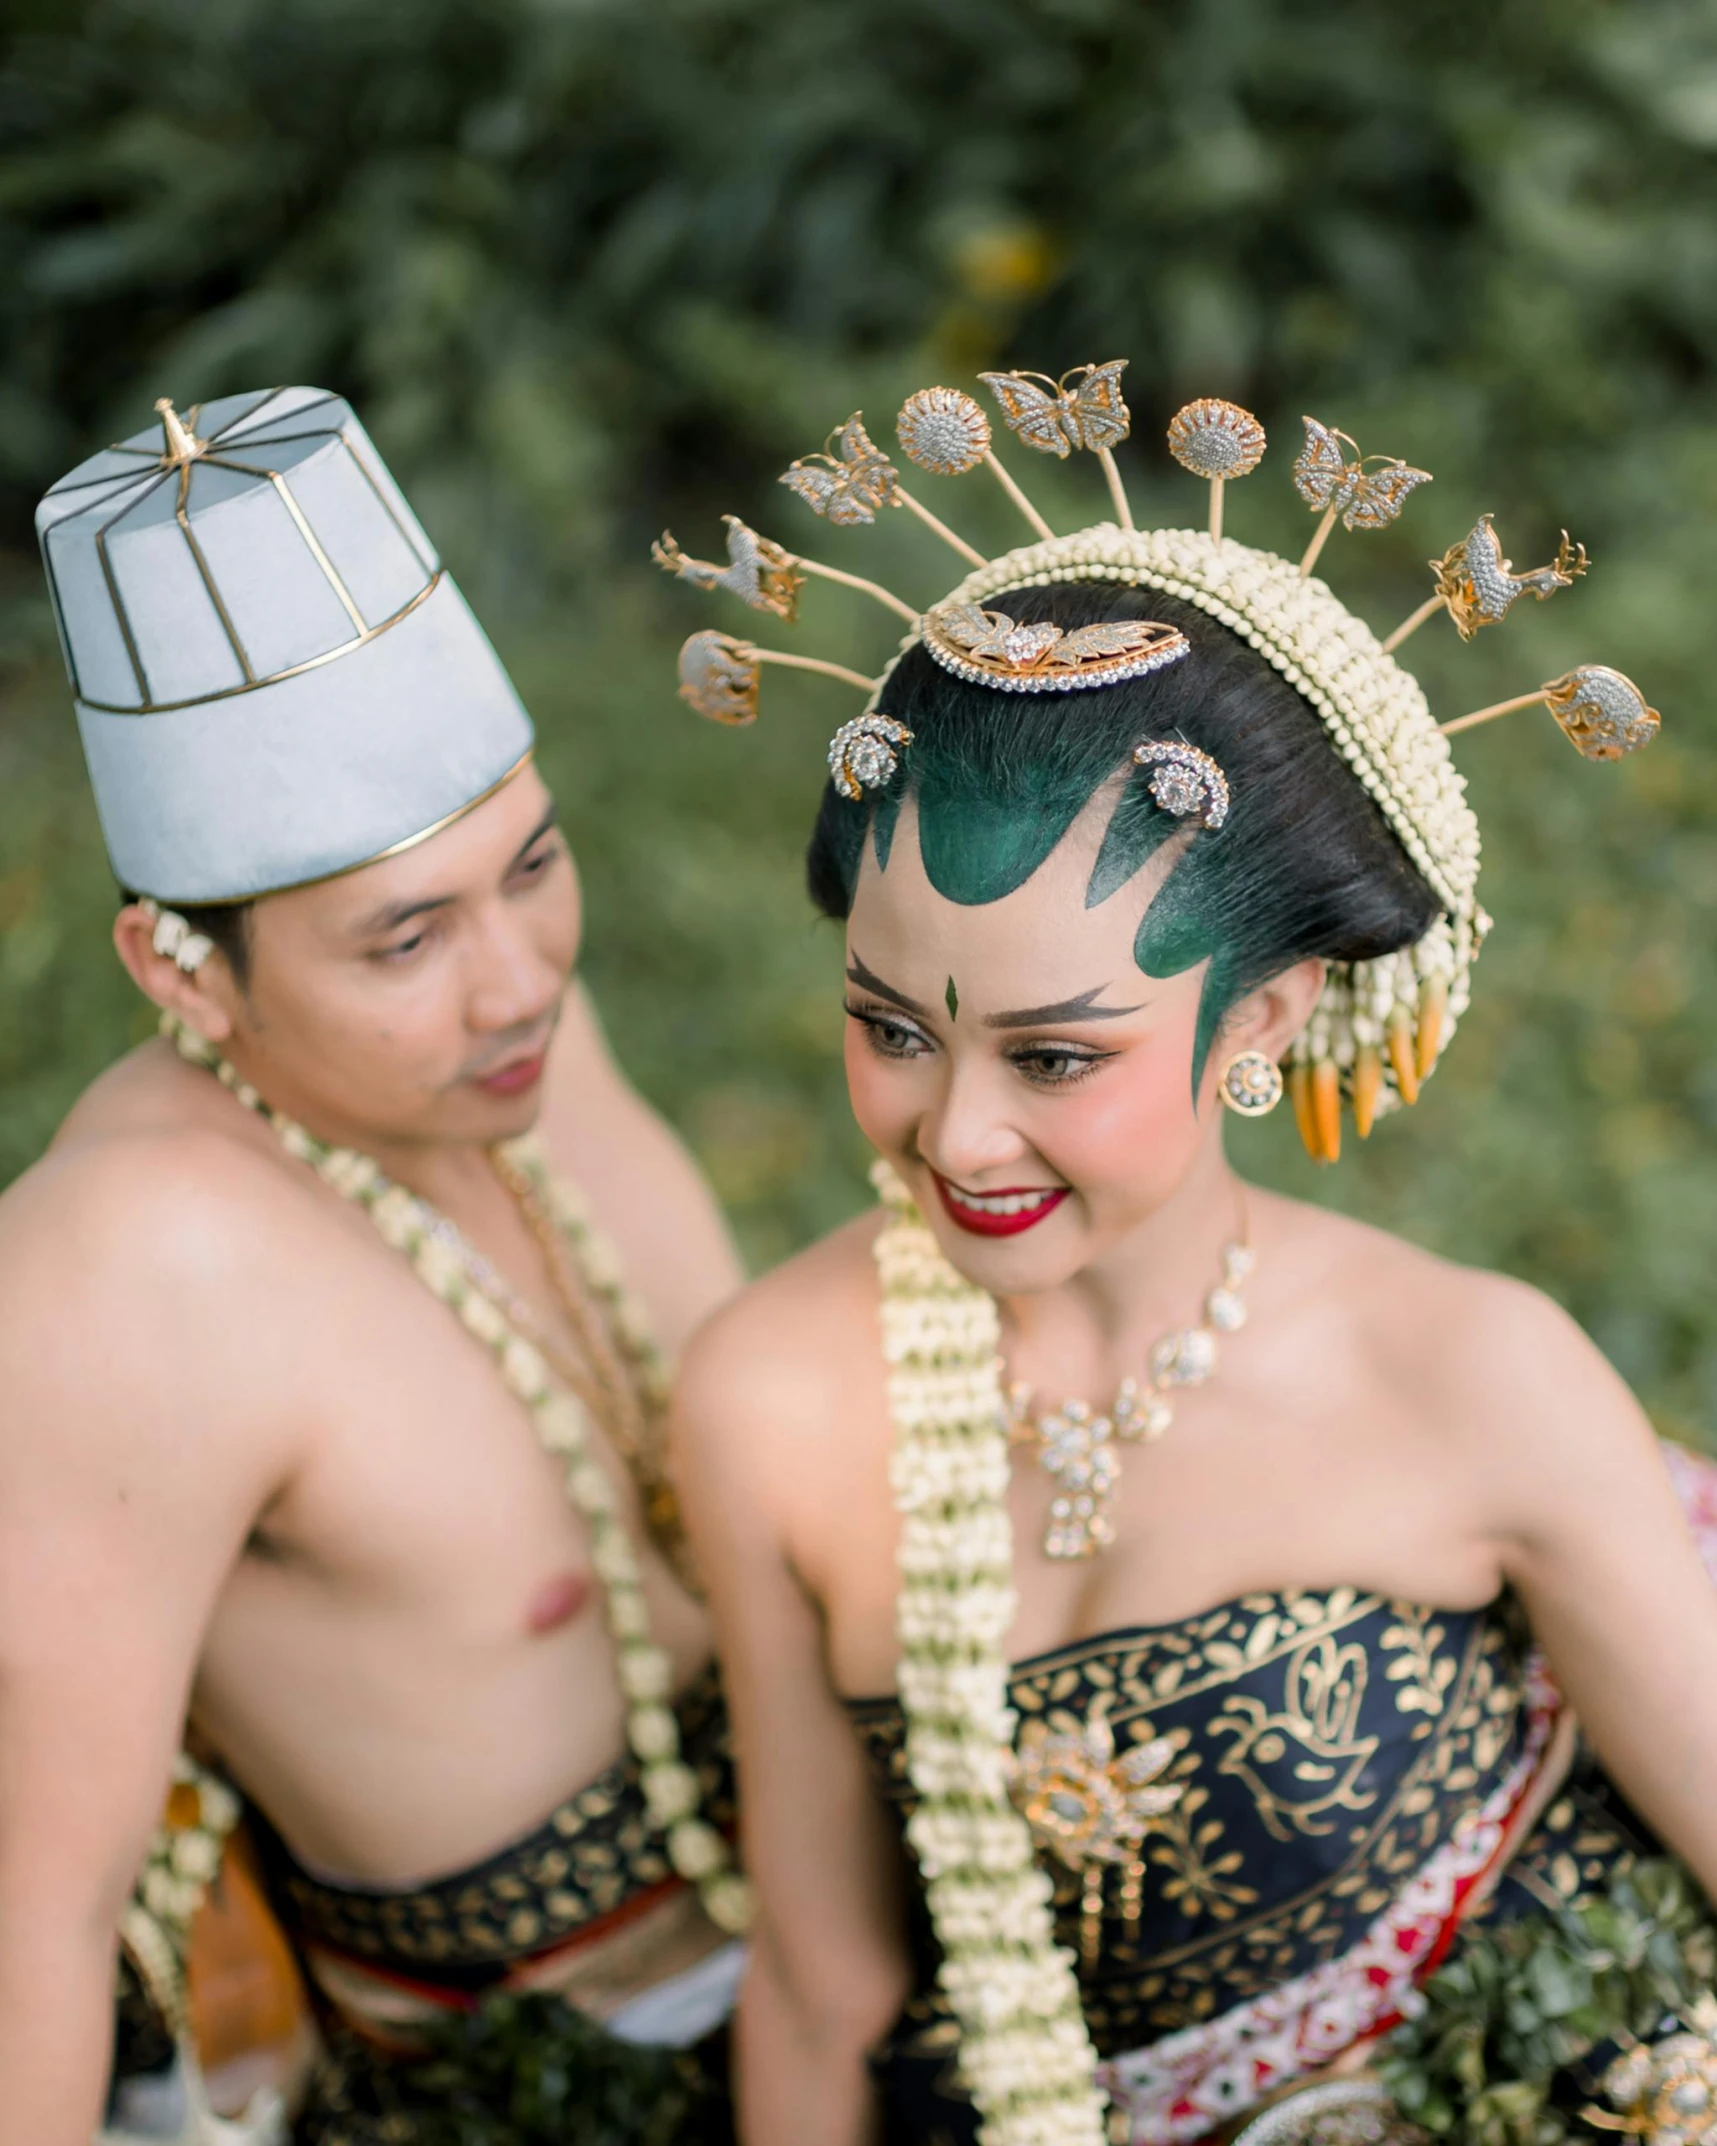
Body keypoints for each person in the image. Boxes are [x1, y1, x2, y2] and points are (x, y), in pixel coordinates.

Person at [665, 376, 1717, 2146]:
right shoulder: (766, 1398)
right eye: (892, 1026)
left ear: (1267, 1021)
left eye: (1055, 1056)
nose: (956, 1136)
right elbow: (823, 1981)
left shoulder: (1469, 1376)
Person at [0, 388, 749, 2146]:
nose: (514, 980)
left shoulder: (508, 1033)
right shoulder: (128, 1270)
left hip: (868, 1945)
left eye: (537, 866)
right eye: (404, 937)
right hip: (548, 2100)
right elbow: (33, 1911)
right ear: (183, 975)